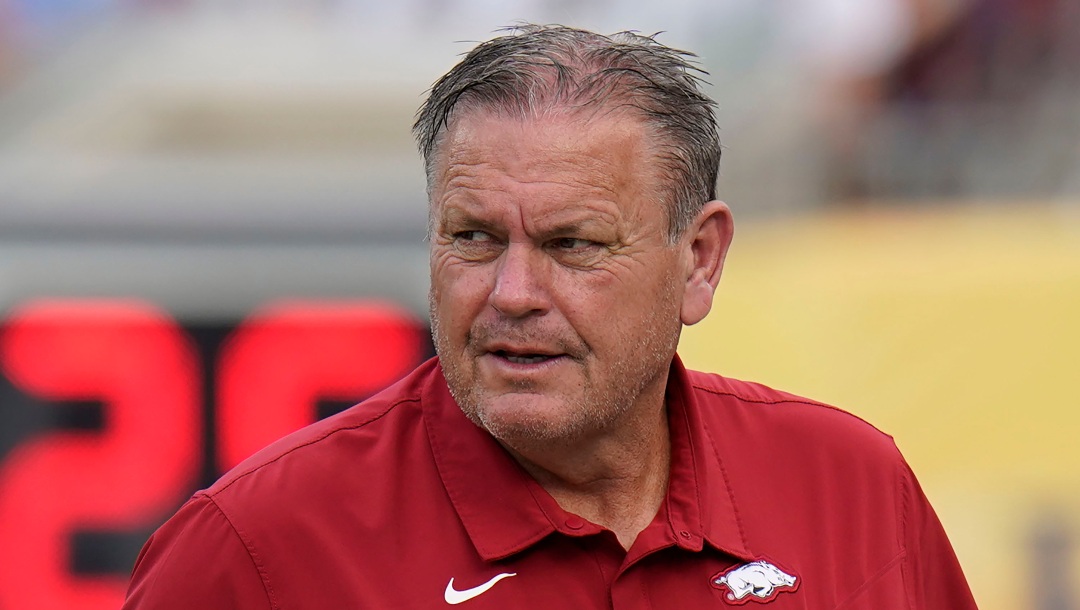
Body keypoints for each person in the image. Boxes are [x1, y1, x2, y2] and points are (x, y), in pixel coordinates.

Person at [123, 25, 978, 609]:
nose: (513, 292)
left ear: (700, 261)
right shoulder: (258, 548)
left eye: (573, 244)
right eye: (473, 237)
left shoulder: (851, 487)